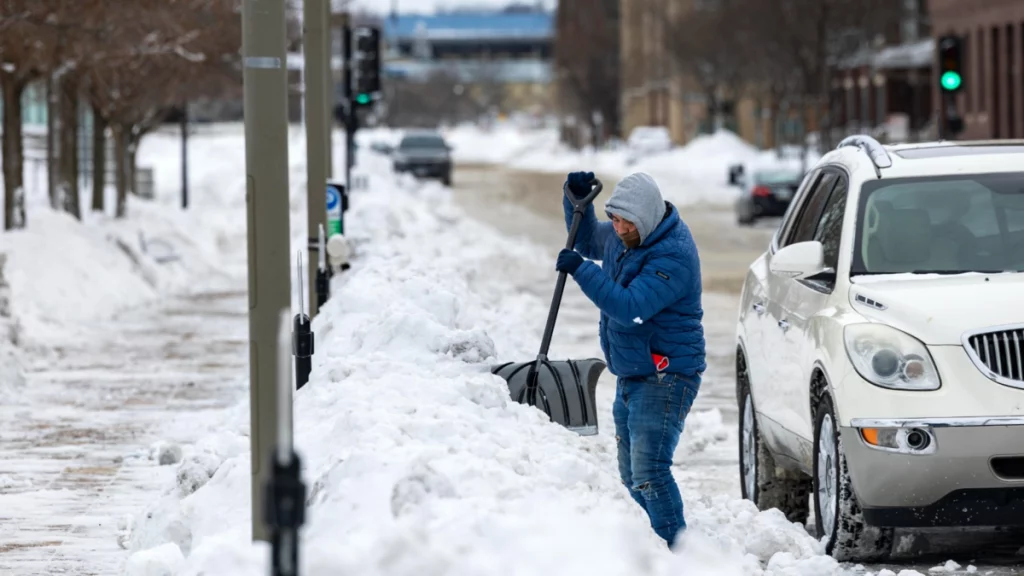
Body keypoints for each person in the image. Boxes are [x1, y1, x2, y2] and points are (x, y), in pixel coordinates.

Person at [555, 170, 706, 547]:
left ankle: (679, 555)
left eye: (625, 222)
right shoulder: (627, 234)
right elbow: (589, 237)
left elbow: (631, 308)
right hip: (633, 371)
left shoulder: (673, 255)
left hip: (667, 374)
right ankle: (652, 552)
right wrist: (574, 200)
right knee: (631, 475)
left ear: (646, 219)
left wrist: (581, 270)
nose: (617, 228)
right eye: (614, 219)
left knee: (650, 472)